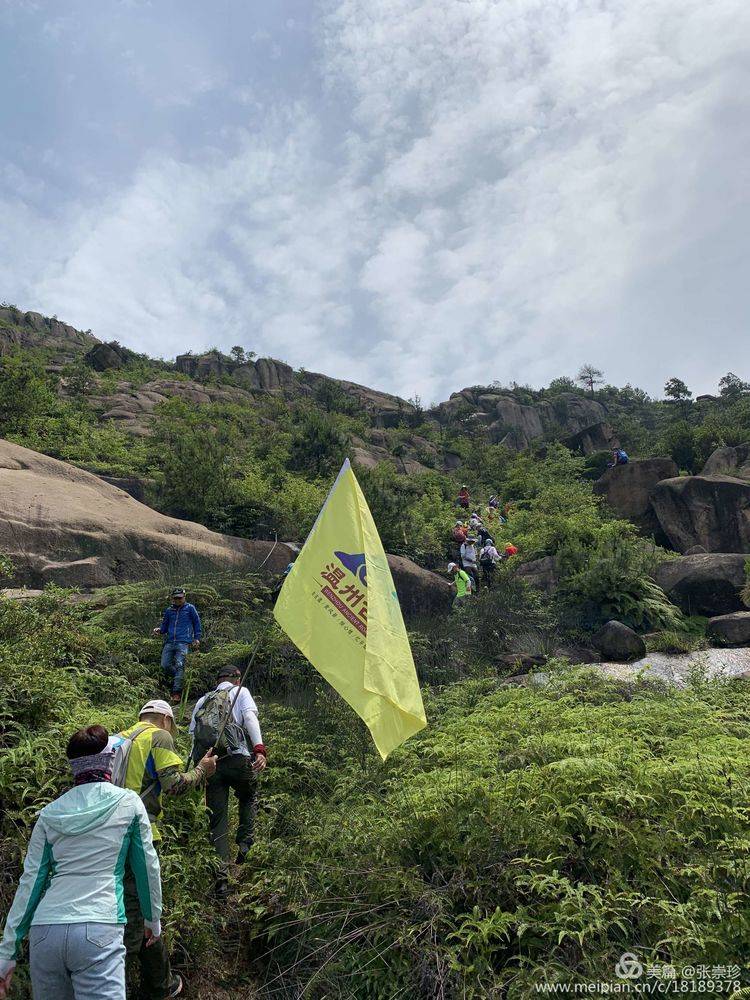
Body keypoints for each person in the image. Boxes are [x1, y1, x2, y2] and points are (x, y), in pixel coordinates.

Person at [0, 726, 162, 1000]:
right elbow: (147, 867)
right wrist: (152, 919)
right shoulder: (129, 803)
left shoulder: (50, 814)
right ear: (109, 762)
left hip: (45, 933)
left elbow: (30, 884)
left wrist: (7, 953)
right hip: (100, 925)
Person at [118, 700, 217, 999]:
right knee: (140, 913)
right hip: (140, 832)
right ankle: (118, 986)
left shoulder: (119, 738)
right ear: (164, 719)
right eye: (172, 725)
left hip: (109, 836)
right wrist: (202, 770)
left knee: (124, 907)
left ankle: (161, 983)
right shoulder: (158, 736)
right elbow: (173, 785)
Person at [190, 666, 267, 893]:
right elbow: (250, 718)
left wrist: (197, 768)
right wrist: (259, 749)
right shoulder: (240, 692)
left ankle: (221, 880)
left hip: (210, 764)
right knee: (248, 794)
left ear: (217, 681)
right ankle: (244, 844)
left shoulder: (203, 700)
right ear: (237, 678)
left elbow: (193, 735)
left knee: (218, 819)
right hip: (237, 758)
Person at [153, 588, 202, 704]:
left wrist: (197, 638)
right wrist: (159, 630)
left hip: (183, 642)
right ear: (172, 598)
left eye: (180, 598)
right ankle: (179, 678)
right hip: (169, 642)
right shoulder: (169, 610)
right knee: (165, 665)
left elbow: (197, 623)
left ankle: (176, 692)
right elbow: (164, 626)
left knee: (180, 665)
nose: (178, 600)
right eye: (175, 598)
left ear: (184, 597)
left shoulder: (190, 608)